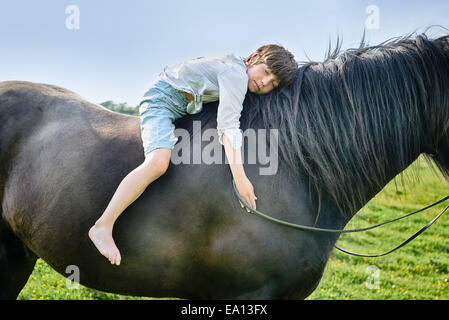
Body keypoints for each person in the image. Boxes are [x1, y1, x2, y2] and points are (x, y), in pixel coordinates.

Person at [89, 44, 298, 266]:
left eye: (273, 83)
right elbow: (228, 127)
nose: (265, 83)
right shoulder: (235, 74)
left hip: (184, 104)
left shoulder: (234, 69)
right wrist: (241, 179)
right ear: (254, 57)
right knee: (158, 162)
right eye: (266, 72)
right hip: (162, 100)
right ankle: (103, 226)